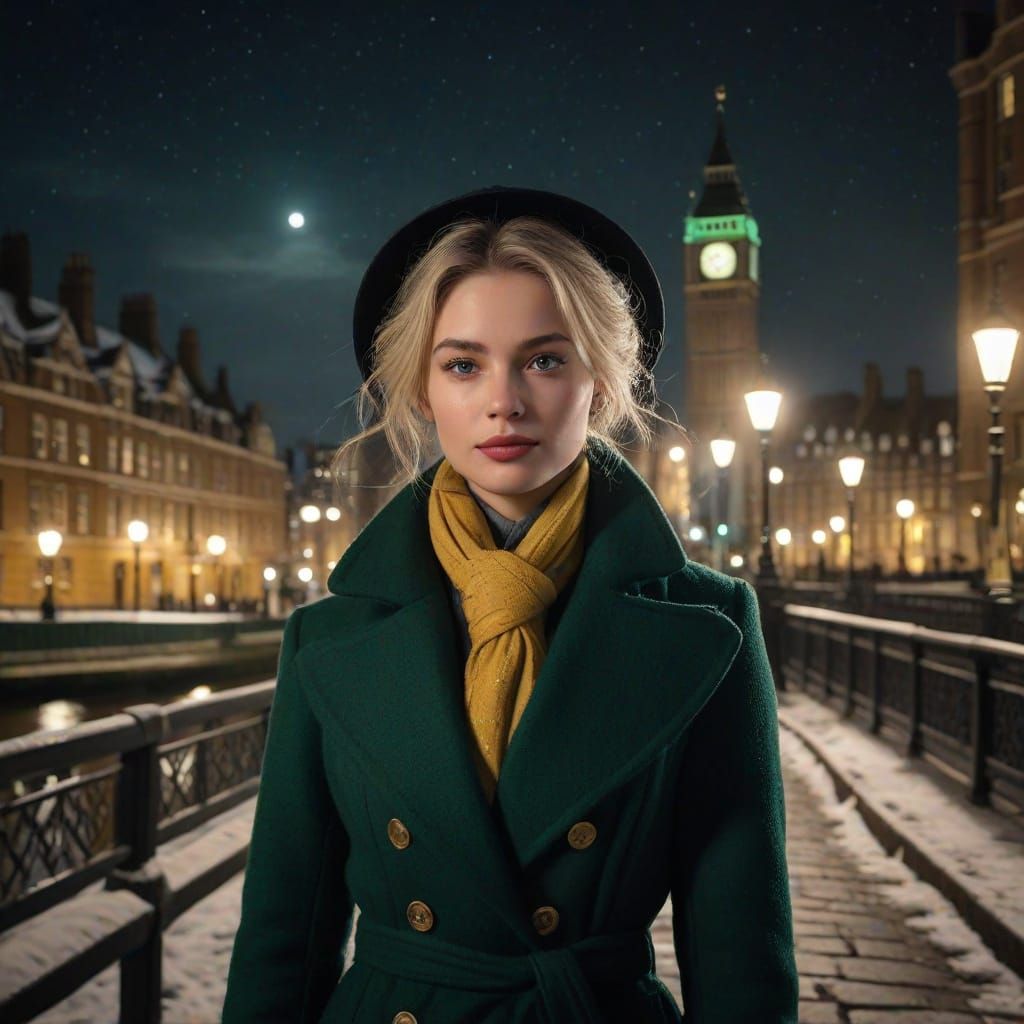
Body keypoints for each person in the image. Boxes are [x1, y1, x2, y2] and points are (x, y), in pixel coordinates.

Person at [221, 185, 798, 1023]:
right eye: (463, 365)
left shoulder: (710, 627)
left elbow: (740, 955)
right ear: (422, 392)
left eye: (545, 360)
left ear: (603, 384)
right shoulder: (328, 635)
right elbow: (281, 940)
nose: (504, 401)